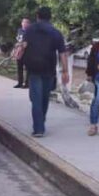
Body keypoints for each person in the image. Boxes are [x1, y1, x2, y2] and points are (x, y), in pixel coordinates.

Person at [22, 7, 70, 137]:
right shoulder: (56, 33)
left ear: (37, 16)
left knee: (36, 98)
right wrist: (65, 71)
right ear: (50, 17)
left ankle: (38, 128)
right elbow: (62, 54)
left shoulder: (29, 30)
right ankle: (41, 121)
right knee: (44, 98)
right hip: (49, 69)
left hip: (33, 69)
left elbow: (23, 46)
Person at [13, 17, 30, 88]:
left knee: (27, 68)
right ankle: (20, 82)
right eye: (23, 22)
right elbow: (18, 39)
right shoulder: (19, 30)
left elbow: (28, 42)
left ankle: (27, 83)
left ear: (29, 24)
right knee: (19, 67)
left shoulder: (30, 31)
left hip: (27, 52)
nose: (24, 23)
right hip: (19, 51)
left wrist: (21, 44)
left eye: (26, 22)